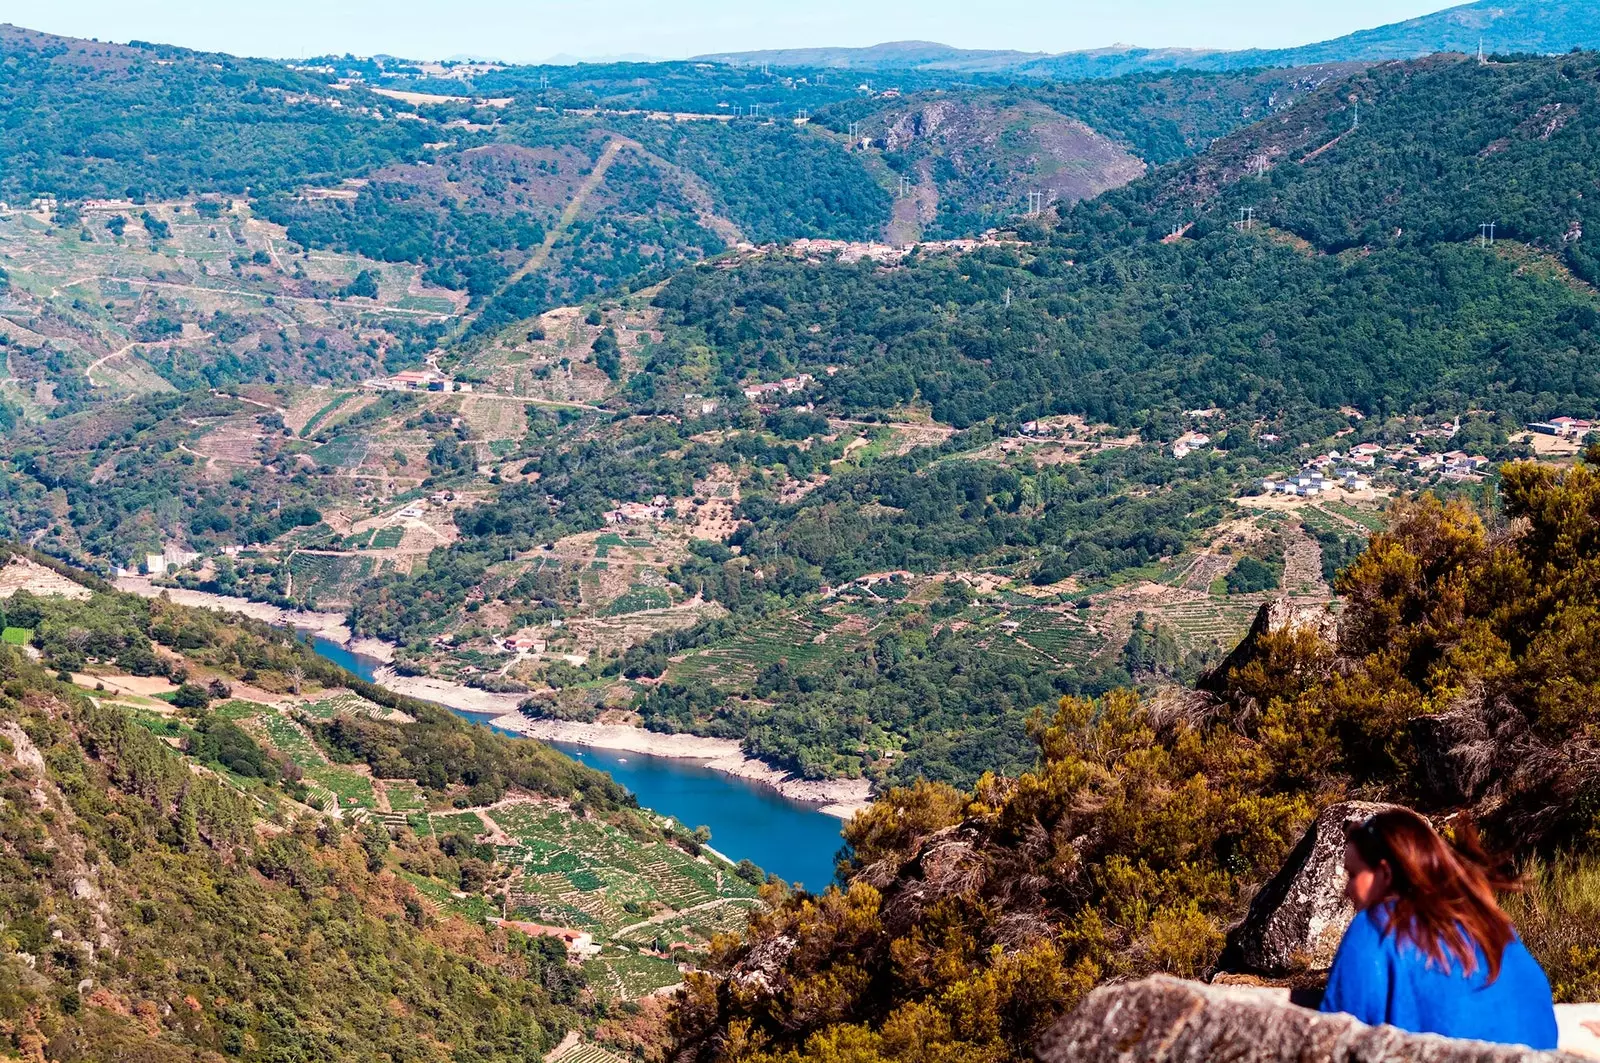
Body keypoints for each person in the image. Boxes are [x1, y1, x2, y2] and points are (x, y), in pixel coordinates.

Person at [1319, 808, 1558, 1049]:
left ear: (1385, 873)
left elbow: (1336, 1043)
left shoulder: (1376, 927)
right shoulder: (1490, 925)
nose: (1347, 889)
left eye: (1353, 874)